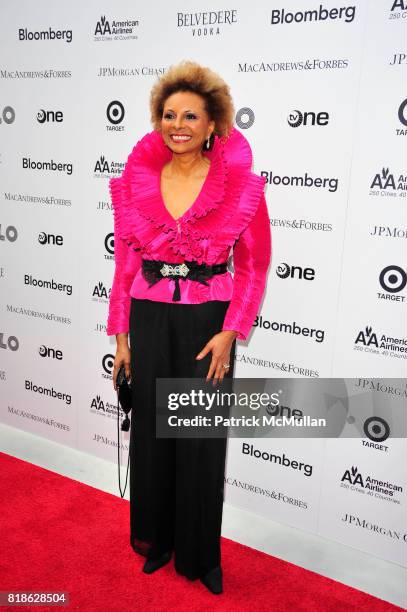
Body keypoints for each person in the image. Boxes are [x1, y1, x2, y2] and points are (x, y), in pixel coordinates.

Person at [106, 60, 272, 595]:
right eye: (169, 114)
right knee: (155, 433)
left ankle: (201, 555)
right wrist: (122, 336)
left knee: (198, 436)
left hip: (208, 320)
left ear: (212, 125)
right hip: (151, 313)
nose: (178, 124)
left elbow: (252, 266)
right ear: (159, 121)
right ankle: (158, 540)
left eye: (191, 116)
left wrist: (231, 331)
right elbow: (125, 265)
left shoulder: (240, 185)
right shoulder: (139, 181)